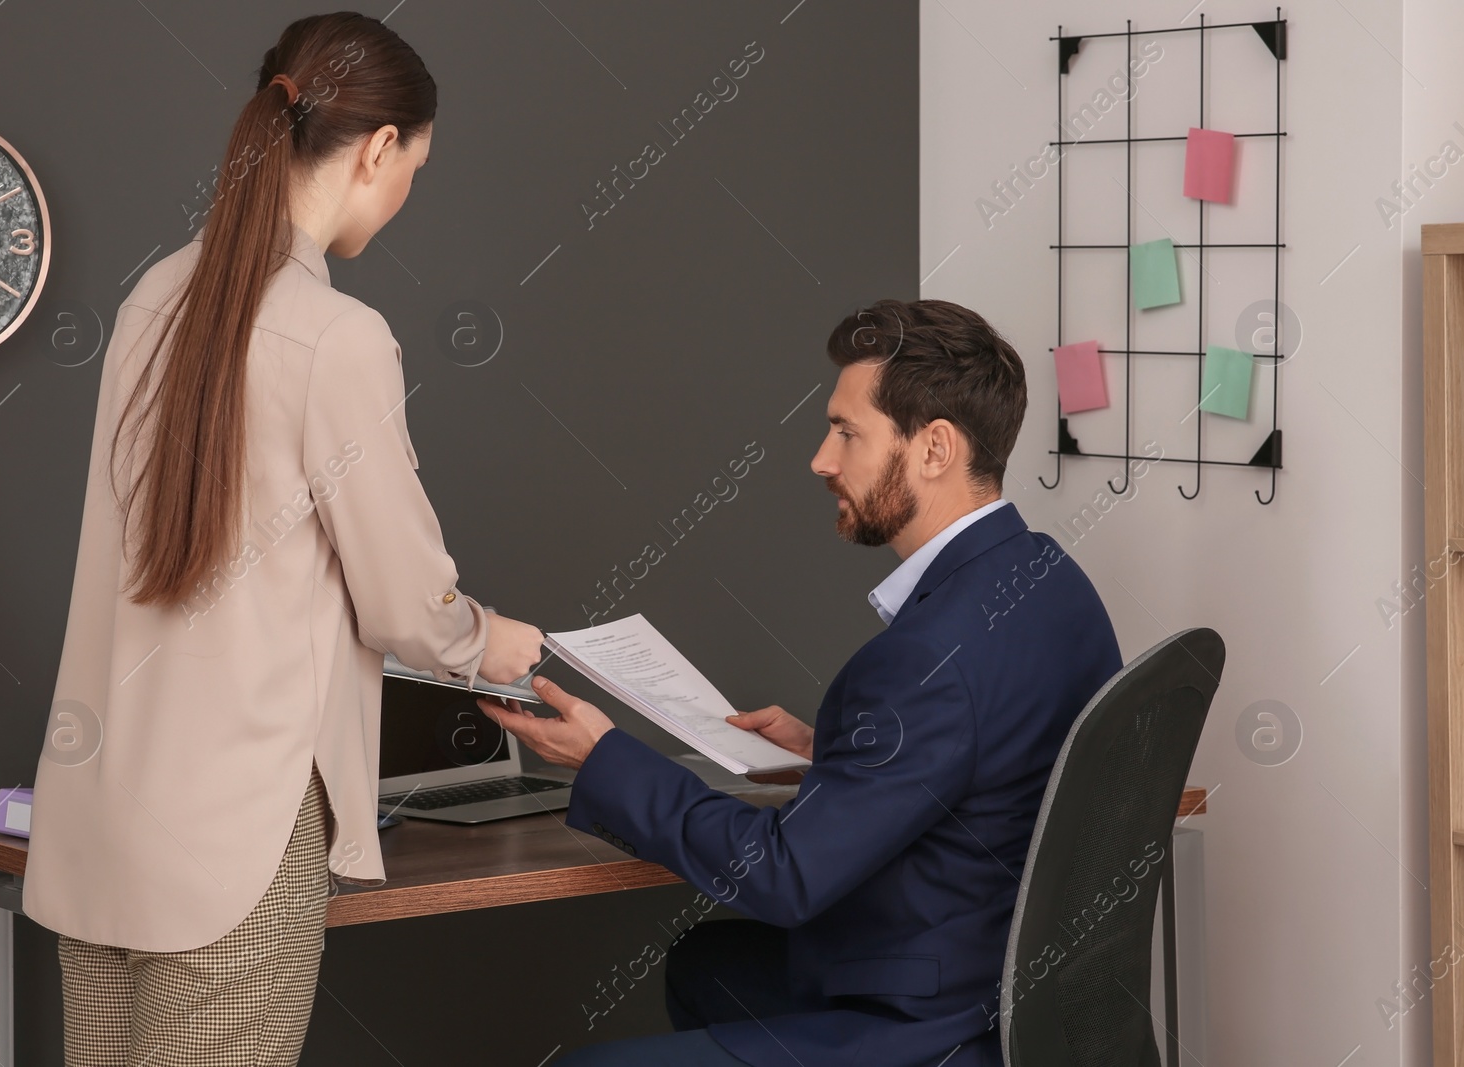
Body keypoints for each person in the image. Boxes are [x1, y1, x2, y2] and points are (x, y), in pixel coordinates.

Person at [20, 14, 544, 1066]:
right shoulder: (337, 335)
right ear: (379, 148)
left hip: (101, 820)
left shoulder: (153, 296)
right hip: (235, 844)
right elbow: (405, 605)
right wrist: (497, 642)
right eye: (416, 167)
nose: (405, 196)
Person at [480, 298, 1124, 1067]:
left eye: (847, 431)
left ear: (935, 448)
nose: (822, 459)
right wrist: (841, 754)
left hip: (933, 1025)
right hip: (1022, 988)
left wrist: (604, 756)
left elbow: (782, 878)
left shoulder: (923, 659)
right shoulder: (1051, 576)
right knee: (706, 966)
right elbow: (997, 757)